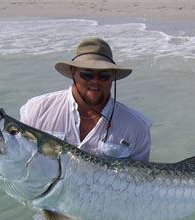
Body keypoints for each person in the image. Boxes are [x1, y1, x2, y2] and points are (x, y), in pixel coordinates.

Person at [20, 37, 151, 162]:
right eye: (87, 74)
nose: (95, 82)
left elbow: (140, 180)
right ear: (73, 71)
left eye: (104, 76)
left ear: (113, 76)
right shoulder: (36, 111)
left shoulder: (137, 127)